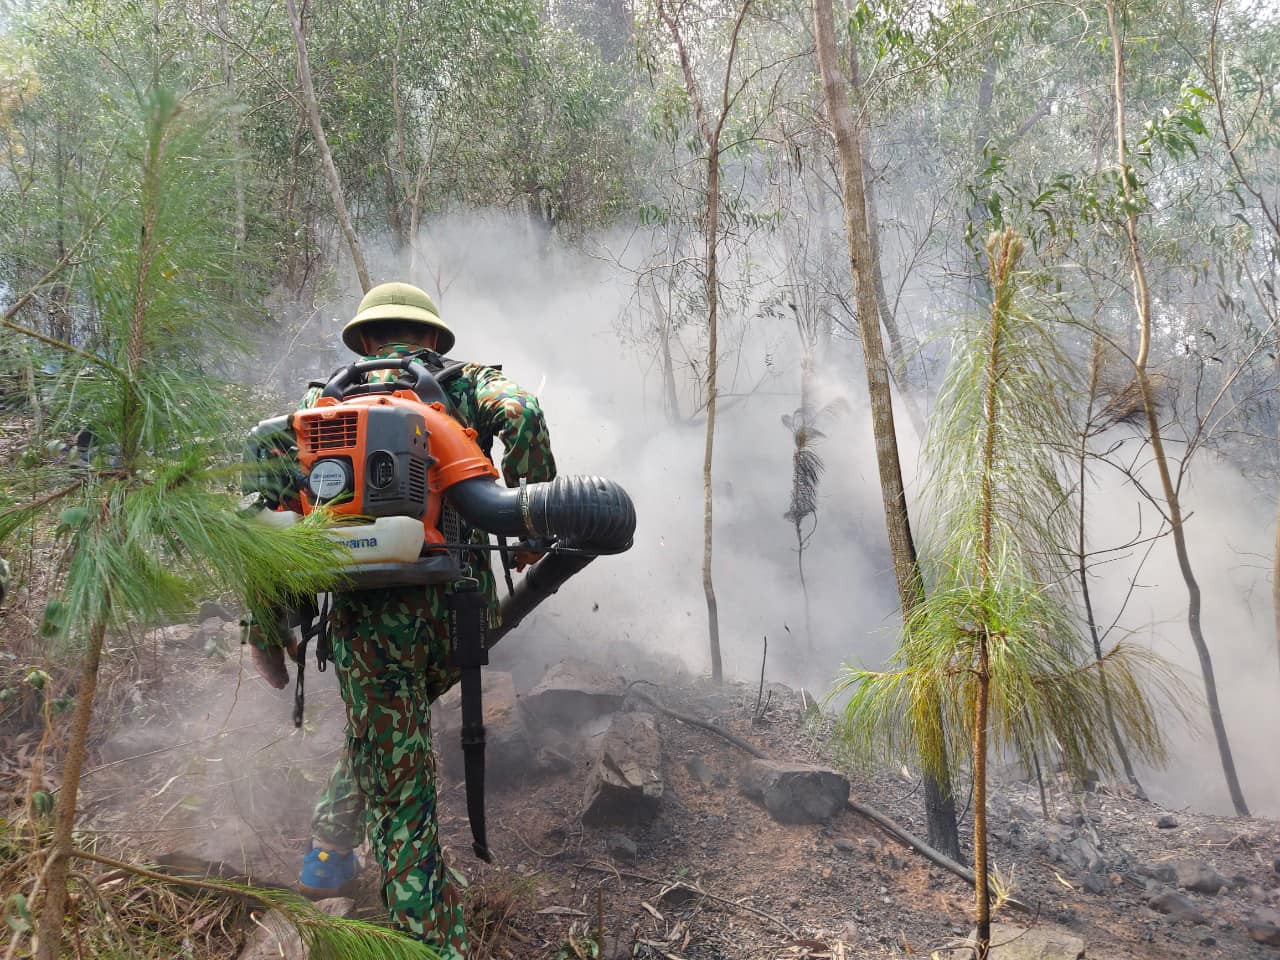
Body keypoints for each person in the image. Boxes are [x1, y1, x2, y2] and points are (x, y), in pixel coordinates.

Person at [245, 282, 556, 957]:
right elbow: (524, 412)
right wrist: (529, 526)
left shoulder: (324, 401)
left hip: (363, 613)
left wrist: (268, 626)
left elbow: (266, 509)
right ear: (433, 337)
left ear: (365, 338)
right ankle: (422, 935)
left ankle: (332, 858)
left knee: (392, 738)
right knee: (400, 766)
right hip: (456, 609)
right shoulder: (465, 382)